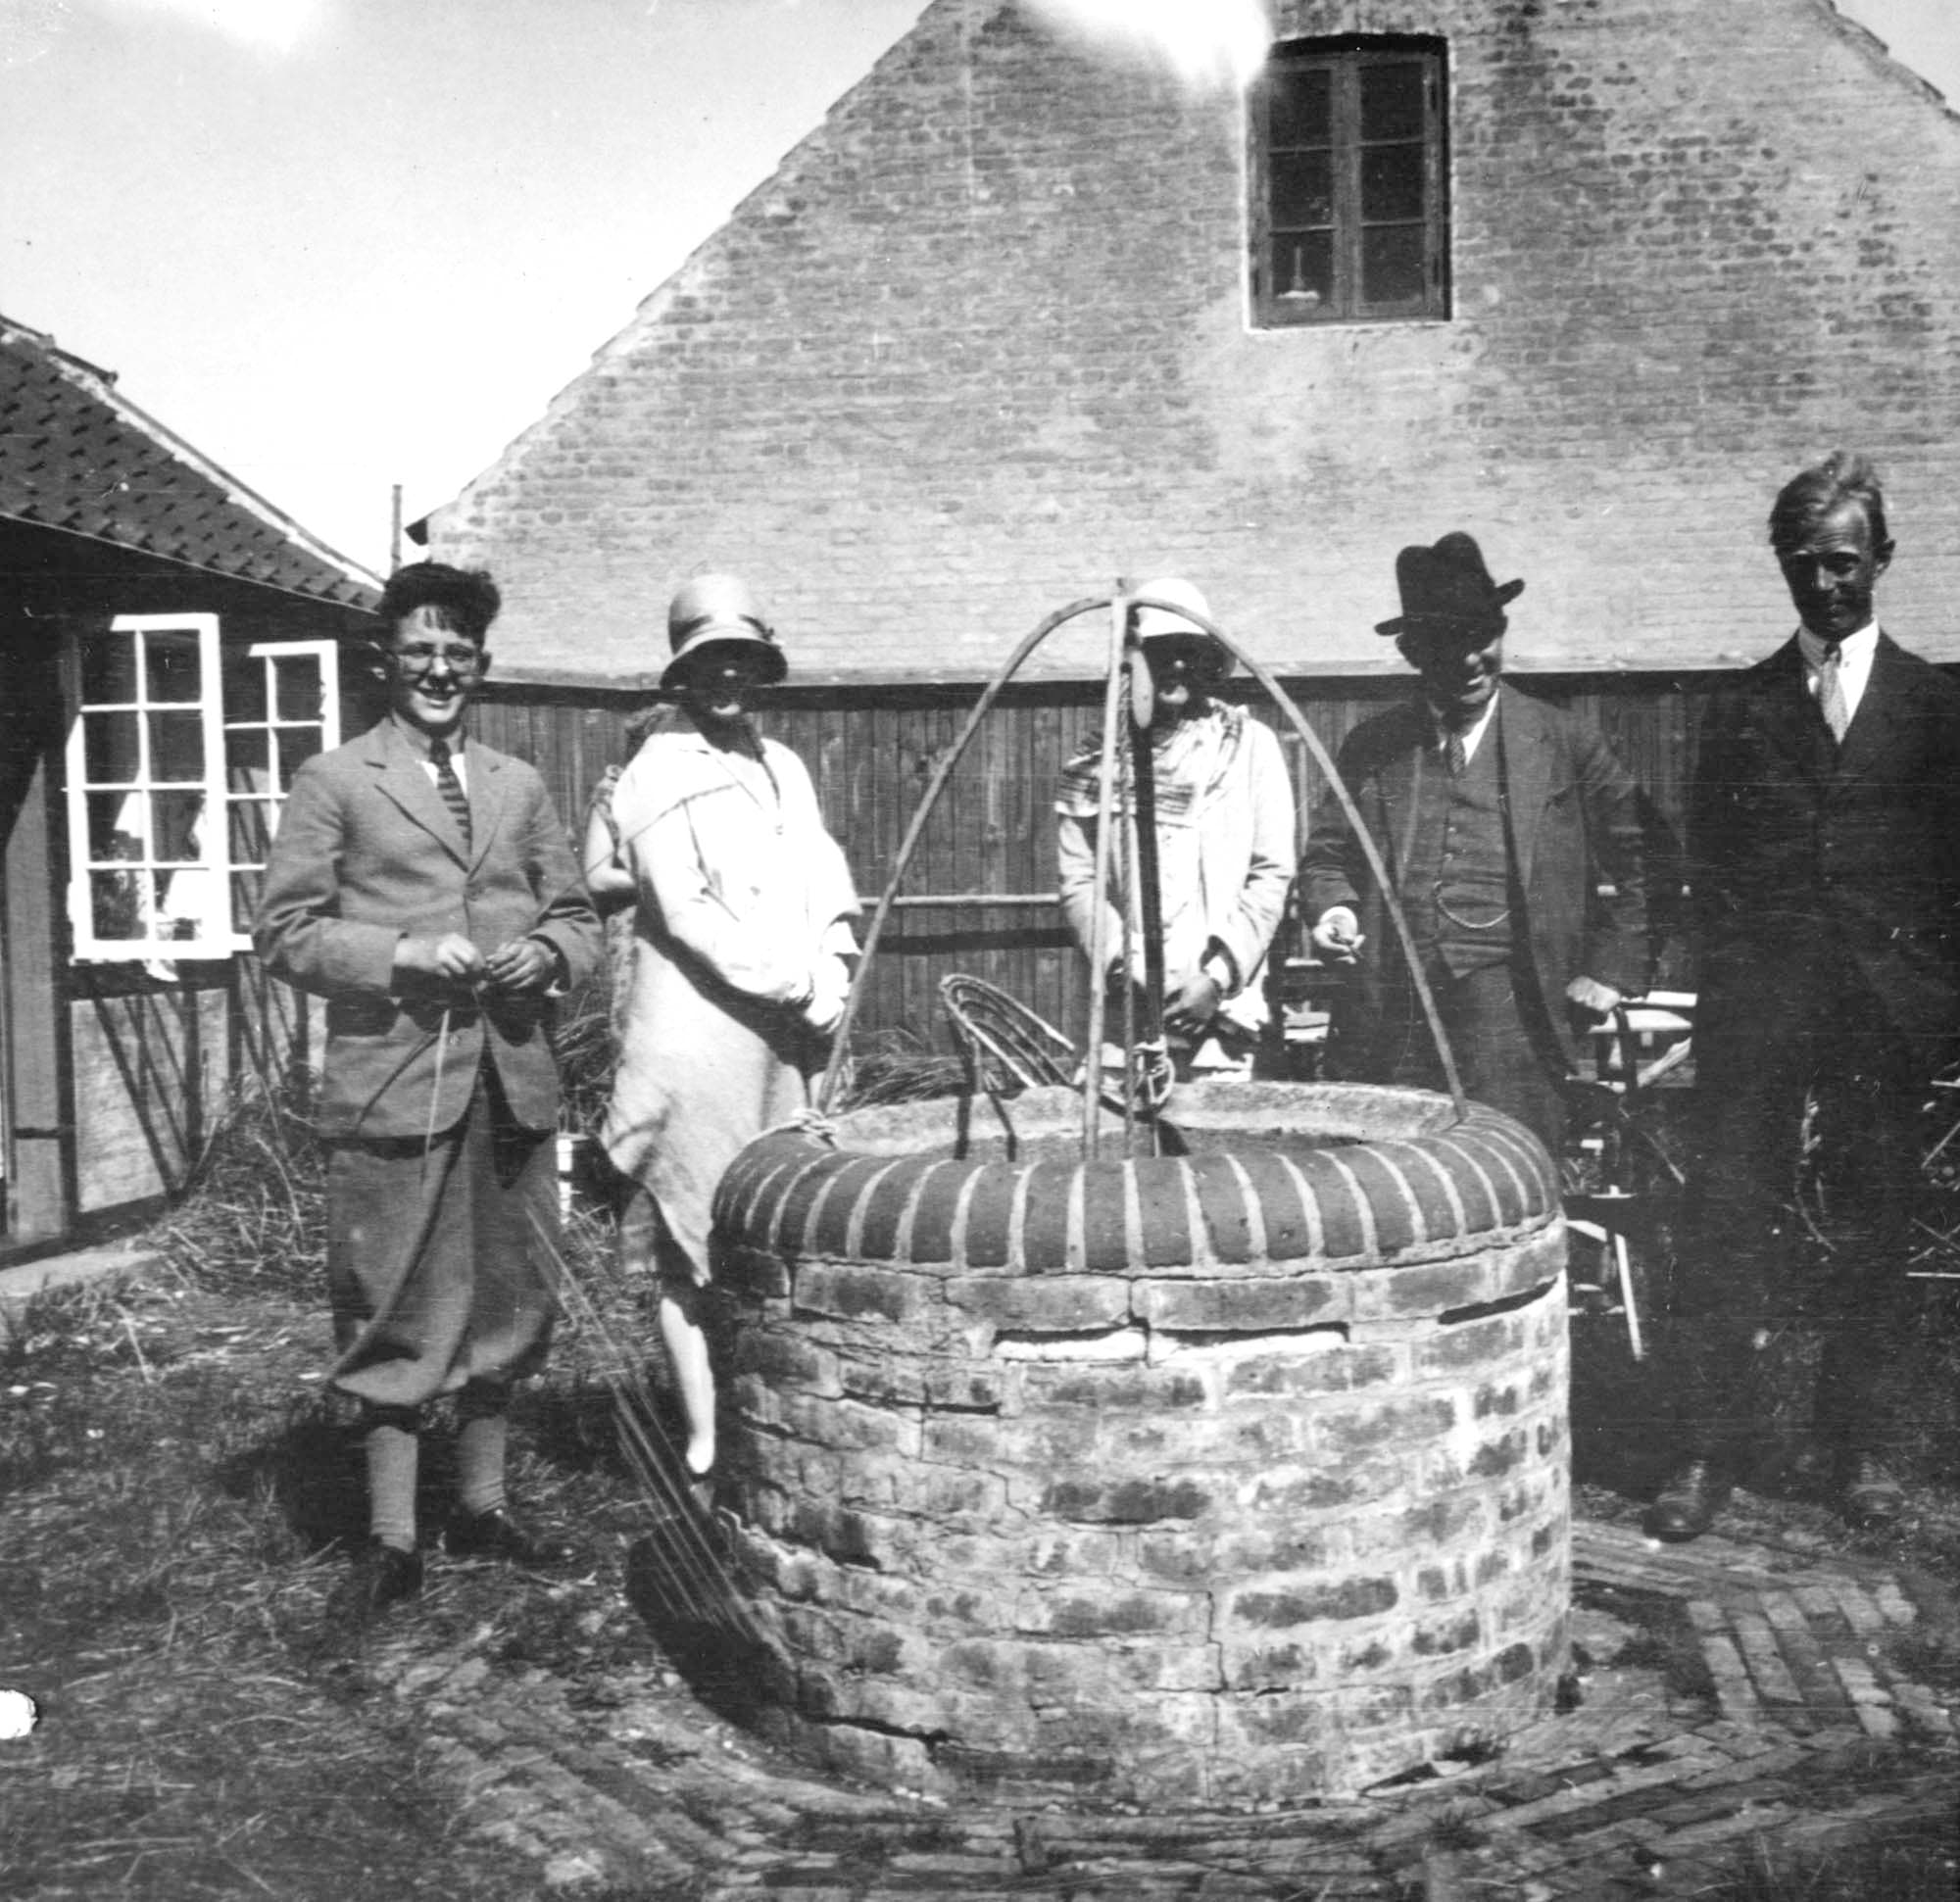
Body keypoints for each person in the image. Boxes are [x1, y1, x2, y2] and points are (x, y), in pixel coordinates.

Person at [256, 561, 601, 1628]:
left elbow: (579, 914)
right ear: (385, 663)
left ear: (482, 667)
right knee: (395, 1301)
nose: (440, 669)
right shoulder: (336, 780)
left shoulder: (519, 783)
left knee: (509, 1298)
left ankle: (486, 1509)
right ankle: (394, 1542)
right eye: (420, 651)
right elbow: (285, 933)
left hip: (511, 1077)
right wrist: (405, 953)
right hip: (394, 1083)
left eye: (458, 653)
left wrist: (544, 957)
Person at [1644, 453, 1960, 1542]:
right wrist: (1731, 985)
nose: (1821, 585)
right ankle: (1703, 1447)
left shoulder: (1933, 706)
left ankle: (1856, 1442)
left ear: (1880, 558)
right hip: (1762, 1009)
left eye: (1839, 562)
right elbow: (1711, 868)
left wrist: (1933, 995)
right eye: (1800, 564)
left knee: (1876, 1226)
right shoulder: (1738, 709)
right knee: (1726, 1219)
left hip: (1883, 1011)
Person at [596, 575, 859, 1481]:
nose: (727, 677)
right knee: (693, 1238)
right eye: (708, 661)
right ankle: (708, 1437)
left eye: (741, 659)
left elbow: (824, 873)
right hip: (698, 1035)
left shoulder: (782, 763)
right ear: (682, 673)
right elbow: (689, 911)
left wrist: (832, 963)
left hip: (780, 1037)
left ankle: (778, 1414)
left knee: (778, 1214)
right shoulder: (656, 772)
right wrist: (793, 982)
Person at [1298, 533, 1648, 1154]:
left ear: (1502, 630)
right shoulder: (1373, 747)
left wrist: (1610, 968)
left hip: (1514, 1017)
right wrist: (1335, 910)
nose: (1468, 660)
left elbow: (1645, 860)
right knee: (1391, 1187)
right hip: (1392, 1016)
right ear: (1412, 652)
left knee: (1512, 1178)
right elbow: (1327, 856)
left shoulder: (1566, 743)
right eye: (1444, 643)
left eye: (1480, 637)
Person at [1055, 578, 1295, 1081]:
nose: (1178, 666)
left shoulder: (1248, 748)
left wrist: (1217, 977)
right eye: (1162, 652)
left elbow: (1272, 874)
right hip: (1127, 1010)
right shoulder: (1096, 760)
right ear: (1132, 662)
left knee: (1212, 1150)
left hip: (1220, 1014)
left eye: (1190, 652)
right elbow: (1079, 881)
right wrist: (1132, 967)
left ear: (1211, 661)